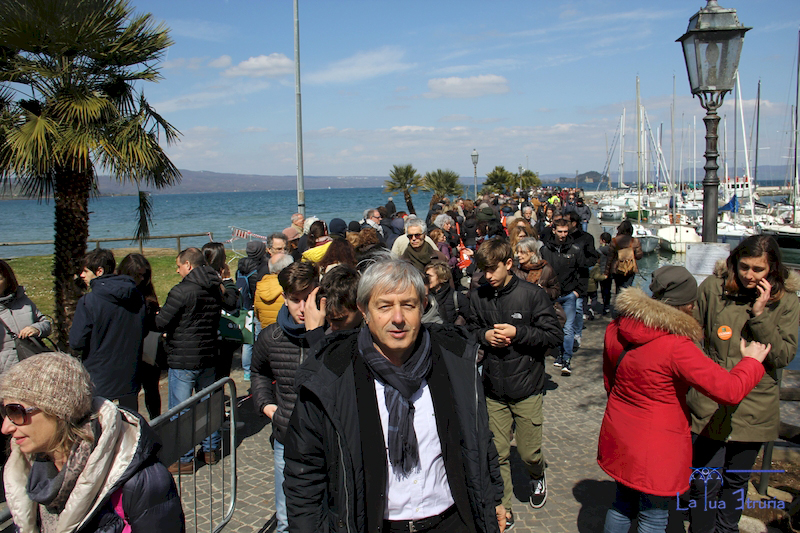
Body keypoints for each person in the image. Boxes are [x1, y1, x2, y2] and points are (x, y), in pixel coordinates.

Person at [283, 259, 506, 533]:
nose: (397, 318)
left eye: (408, 305)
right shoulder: (331, 374)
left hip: (453, 520)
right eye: (384, 306)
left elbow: (480, 438)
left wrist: (494, 498)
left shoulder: (454, 359)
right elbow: (304, 473)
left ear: (423, 306)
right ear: (364, 311)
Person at [599, 266, 770, 533]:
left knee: (622, 504)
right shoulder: (676, 346)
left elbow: (611, 380)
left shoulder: (616, 327)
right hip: (658, 445)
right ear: (686, 305)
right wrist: (750, 362)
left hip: (620, 430)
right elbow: (728, 390)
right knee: (653, 516)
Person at [688, 236, 800, 533]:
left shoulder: (786, 300)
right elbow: (691, 334)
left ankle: (727, 530)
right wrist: (705, 372)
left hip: (755, 403)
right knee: (704, 479)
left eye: (759, 270)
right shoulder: (713, 287)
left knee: (735, 480)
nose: (749, 275)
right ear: (734, 261)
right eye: (744, 267)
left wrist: (760, 315)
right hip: (711, 398)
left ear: (772, 268)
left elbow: (783, 355)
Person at [0, 352, 185, 532]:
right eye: (5, 412)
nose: (5, 428)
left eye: (16, 411)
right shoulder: (26, 468)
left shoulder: (142, 482)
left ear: (58, 411)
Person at [468, 239, 562, 527]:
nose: (487, 276)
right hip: (493, 389)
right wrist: (484, 336)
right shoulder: (478, 295)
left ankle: (537, 475)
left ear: (509, 264)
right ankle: (503, 508)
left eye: (492, 269)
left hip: (527, 388)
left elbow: (553, 337)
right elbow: (469, 329)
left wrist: (518, 332)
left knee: (529, 453)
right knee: (497, 453)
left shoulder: (532, 295)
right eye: (483, 270)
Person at [251, 262, 318, 533]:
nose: (302, 308)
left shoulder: (335, 334)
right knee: (286, 520)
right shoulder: (271, 337)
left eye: (308, 298)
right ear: (285, 298)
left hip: (325, 438)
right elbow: (259, 372)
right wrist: (266, 406)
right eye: (295, 300)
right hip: (286, 436)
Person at [156, 247, 224, 473]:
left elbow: (161, 322)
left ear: (188, 265)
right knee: (208, 405)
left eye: (178, 266)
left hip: (183, 358)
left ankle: (184, 458)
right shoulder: (215, 288)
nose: (176, 271)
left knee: (181, 409)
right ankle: (211, 449)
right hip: (207, 353)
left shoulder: (182, 291)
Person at [70, 249, 145, 411]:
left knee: (101, 428)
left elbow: (76, 341)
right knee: (130, 425)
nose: (82, 275)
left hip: (99, 377)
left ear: (99, 271)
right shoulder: (136, 295)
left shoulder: (89, 301)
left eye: (85, 271)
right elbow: (143, 328)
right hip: (130, 374)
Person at [116, 253, 163, 419]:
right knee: (129, 395)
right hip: (129, 351)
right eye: (138, 275)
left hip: (148, 349)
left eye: (144, 275)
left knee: (151, 389)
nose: (142, 279)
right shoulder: (121, 294)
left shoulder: (146, 294)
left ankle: (156, 423)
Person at [539, 219, 586, 375]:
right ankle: (559, 353)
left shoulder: (575, 250)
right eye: (560, 231)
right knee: (554, 327)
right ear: (554, 231)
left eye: (565, 231)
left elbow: (583, 272)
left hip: (568, 295)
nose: (563, 235)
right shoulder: (545, 250)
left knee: (568, 328)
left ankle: (566, 358)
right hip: (550, 296)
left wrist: (578, 291)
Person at [0, 259, 51, 374]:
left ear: (8, 280)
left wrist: (37, 329)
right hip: (5, 374)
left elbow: (46, 324)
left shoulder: (23, 301)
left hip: (33, 368)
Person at [236, 241, 270, 382]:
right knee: (257, 337)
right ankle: (259, 366)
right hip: (254, 307)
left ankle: (246, 370)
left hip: (244, 307)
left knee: (247, 340)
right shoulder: (258, 269)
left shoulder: (240, 266)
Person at [604, 220, 643, 293]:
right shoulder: (635, 241)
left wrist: (607, 271)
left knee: (618, 288)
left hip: (617, 268)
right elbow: (639, 256)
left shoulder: (614, 241)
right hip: (630, 268)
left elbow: (610, 258)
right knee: (627, 288)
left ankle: (618, 302)